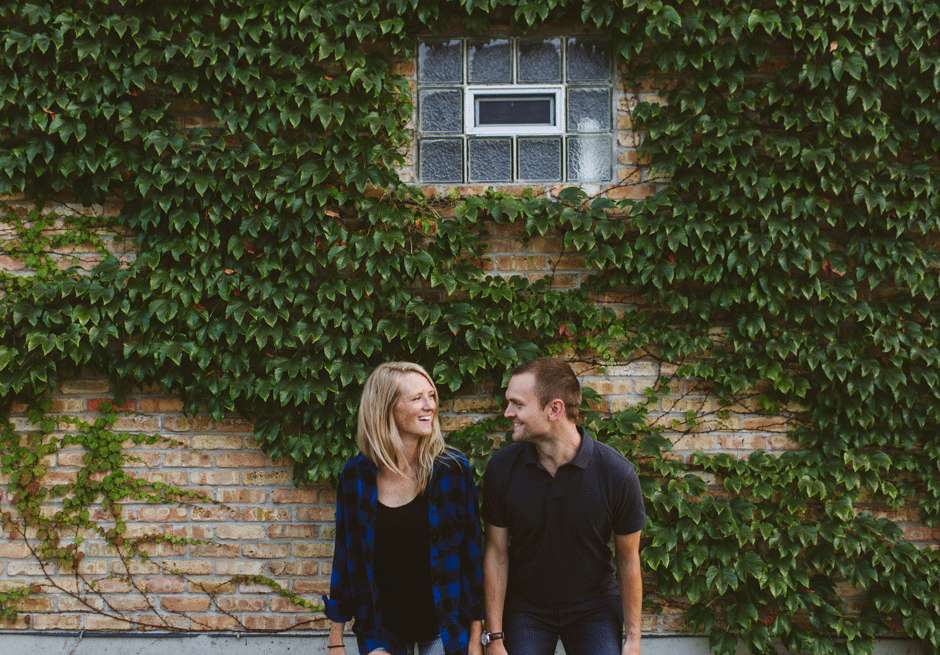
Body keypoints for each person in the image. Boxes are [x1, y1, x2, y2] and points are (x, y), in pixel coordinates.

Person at [481, 358, 645, 655]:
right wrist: (494, 638)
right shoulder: (502, 468)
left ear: (554, 409)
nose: (508, 413)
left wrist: (633, 640)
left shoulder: (617, 473)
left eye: (517, 404)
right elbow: (496, 554)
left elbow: (628, 558)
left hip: (594, 606)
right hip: (526, 606)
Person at [323, 362, 484, 655]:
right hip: (381, 631)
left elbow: (471, 556)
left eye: (431, 396)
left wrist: (476, 639)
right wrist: (336, 641)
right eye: (417, 398)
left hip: (445, 630)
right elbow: (346, 556)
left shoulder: (452, 470)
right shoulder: (355, 477)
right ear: (386, 408)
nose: (430, 406)